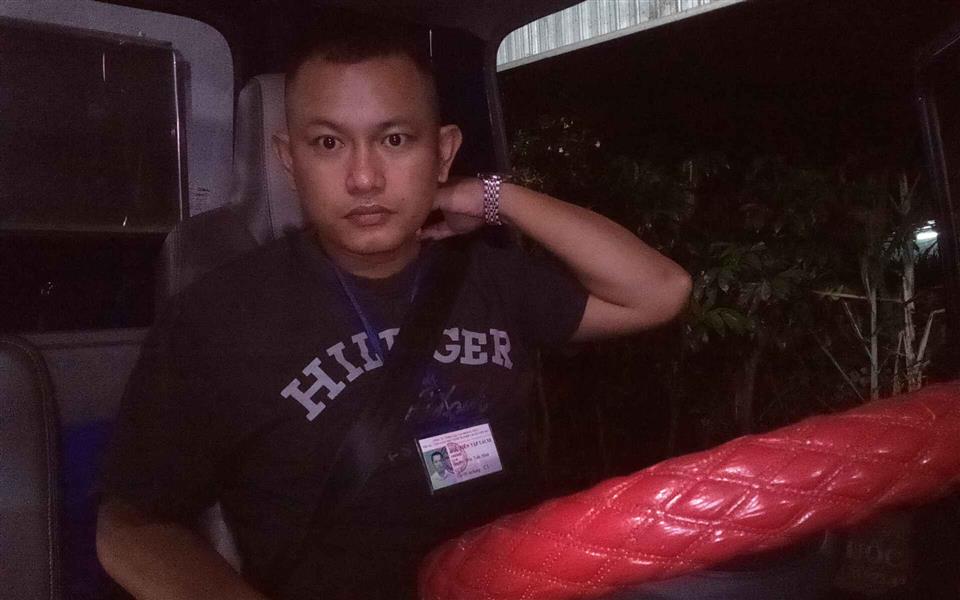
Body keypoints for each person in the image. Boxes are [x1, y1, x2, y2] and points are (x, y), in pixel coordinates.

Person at [95, 13, 692, 600]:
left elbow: (659, 291)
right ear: (289, 159)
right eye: (328, 143)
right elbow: (131, 527)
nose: (363, 178)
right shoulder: (218, 317)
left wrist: (492, 196)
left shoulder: (488, 278)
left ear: (444, 152)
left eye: (395, 140)